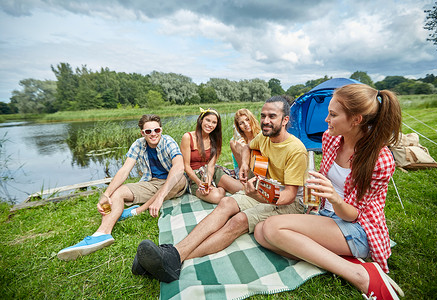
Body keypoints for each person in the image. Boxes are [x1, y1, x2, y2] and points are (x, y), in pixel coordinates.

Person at [131, 96, 308, 283]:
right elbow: (248, 147)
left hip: (289, 203)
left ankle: (171, 259)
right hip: (263, 192)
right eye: (263, 115)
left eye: (272, 116)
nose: (265, 120)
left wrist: (259, 196)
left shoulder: (296, 150)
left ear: (285, 120)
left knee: (238, 221)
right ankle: (171, 256)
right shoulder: (264, 138)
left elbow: (289, 196)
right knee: (225, 202)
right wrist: (245, 165)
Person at [253, 84, 404, 299]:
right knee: (261, 233)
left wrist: (333, 197)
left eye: (333, 115)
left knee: (271, 228)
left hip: (359, 228)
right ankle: (339, 259)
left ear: (356, 120)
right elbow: (325, 178)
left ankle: (361, 275)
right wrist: (316, 199)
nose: (326, 120)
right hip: (329, 216)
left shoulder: (380, 159)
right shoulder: (331, 138)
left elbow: (354, 215)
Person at [57, 114, 187, 261]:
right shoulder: (138, 144)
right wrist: (106, 194)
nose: (153, 134)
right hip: (151, 182)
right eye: (148, 132)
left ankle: (137, 210)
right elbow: (124, 170)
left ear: (161, 130)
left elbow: (179, 166)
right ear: (142, 133)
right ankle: (102, 234)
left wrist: (160, 198)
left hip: (174, 181)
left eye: (156, 130)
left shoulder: (168, 141)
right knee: (118, 193)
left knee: (179, 179)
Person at [180, 107, 243, 204]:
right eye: (208, 120)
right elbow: (186, 166)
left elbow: (211, 166)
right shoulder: (188, 137)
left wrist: (208, 182)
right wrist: (200, 183)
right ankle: (221, 189)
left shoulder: (215, 139)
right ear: (201, 120)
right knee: (216, 197)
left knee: (242, 189)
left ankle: (219, 185)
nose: (210, 125)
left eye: (214, 122)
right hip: (194, 177)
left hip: (211, 172)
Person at [230, 108, 261, 177]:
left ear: (252, 119)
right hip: (242, 172)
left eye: (247, 120)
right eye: (241, 123)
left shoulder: (261, 136)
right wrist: (240, 152)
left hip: (258, 170)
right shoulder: (234, 142)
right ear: (238, 127)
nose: (246, 124)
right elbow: (242, 168)